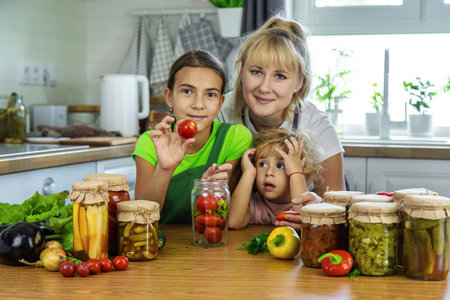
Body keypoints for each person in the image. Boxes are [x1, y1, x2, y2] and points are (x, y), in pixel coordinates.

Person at [216, 16, 345, 227]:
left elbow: (337, 212)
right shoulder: (222, 111)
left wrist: (317, 209)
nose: (265, 87)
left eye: (280, 76)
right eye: (256, 72)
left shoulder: (316, 125)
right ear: (241, 73)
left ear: (299, 82)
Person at [133, 50, 253, 224]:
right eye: (187, 91)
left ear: (221, 103)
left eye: (210, 94)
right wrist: (164, 169)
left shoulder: (235, 138)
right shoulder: (151, 141)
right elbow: (139, 216)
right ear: (169, 97)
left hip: (210, 239)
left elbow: (228, 214)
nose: (198, 104)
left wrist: (209, 190)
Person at [228, 128, 322, 229]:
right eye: (262, 164)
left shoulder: (311, 203)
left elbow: (303, 220)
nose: (269, 172)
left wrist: (296, 173)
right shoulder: (254, 203)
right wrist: (249, 172)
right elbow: (234, 222)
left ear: (304, 175)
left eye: (281, 166)